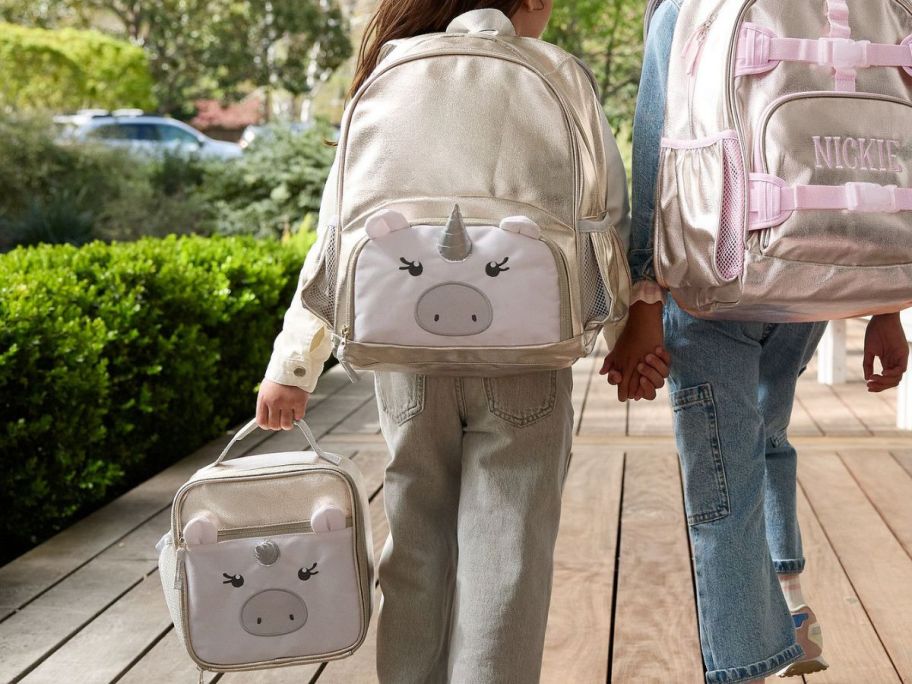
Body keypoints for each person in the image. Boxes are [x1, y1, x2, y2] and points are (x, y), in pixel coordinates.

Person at [256, 1, 668, 681]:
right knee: (509, 553)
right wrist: (624, 333)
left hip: (407, 356)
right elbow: (604, 218)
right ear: (530, 1)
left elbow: (337, 229)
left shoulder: (391, 69)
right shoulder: (558, 70)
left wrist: (295, 364)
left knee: (415, 545)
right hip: (528, 355)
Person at [616, 1, 911, 683]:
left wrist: (642, 297)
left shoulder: (689, 7)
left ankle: (748, 664)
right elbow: (892, 148)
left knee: (723, 478)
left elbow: (654, 141)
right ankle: (792, 609)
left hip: (717, 269)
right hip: (818, 268)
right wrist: (885, 305)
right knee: (763, 434)